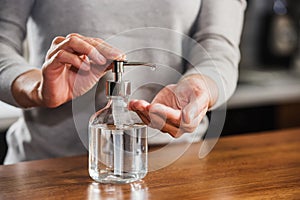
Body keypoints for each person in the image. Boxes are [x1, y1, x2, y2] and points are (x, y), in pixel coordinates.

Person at [0, 0, 246, 164]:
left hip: (176, 167)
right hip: (46, 169)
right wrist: (38, 88)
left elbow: (217, 45)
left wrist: (200, 85)